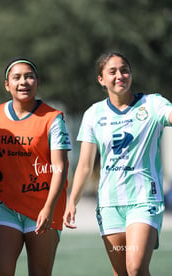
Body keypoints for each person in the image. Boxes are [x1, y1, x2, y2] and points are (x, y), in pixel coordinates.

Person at [63, 51, 172, 276]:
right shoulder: (94, 114)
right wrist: (72, 200)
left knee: (135, 266)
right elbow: (85, 164)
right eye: (112, 72)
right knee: (122, 272)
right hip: (109, 204)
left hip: (144, 200)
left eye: (124, 70)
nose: (120, 75)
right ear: (101, 79)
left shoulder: (152, 104)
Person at [0, 57, 72, 276]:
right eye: (17, 77)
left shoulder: (52, 118)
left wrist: (49, 208)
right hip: (5, 206)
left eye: (29, 77)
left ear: (37, 82)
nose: (23, 82)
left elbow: (60, 167)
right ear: (7, 84)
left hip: (43, 207)